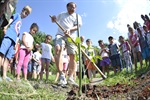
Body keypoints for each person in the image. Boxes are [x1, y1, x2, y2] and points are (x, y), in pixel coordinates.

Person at [51, 2, 82, 86]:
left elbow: (78, 26)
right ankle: (61, 76)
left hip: (71, 37)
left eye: (74, 7)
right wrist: (53, 19)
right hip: (60, 34)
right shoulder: (62, 14)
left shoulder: (77, 16)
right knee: (58, 50)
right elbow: (54, 20)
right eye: (71, 7)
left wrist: (70, 30)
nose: (73, 9)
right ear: (67, 7)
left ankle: (71, 78)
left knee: (72, 56)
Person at [0, 5, 32, 81]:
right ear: (22, 10)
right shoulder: (17, 15)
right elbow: (10, 21)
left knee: (7, 58)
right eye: (25, 12)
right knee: (1, 54)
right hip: (9, 36)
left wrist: (16, 44)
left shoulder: (21, 22)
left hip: (14, 41)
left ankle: (4, 76)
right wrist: (5, 27)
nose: (25, 14)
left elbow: (18, 33)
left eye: (27, 14)